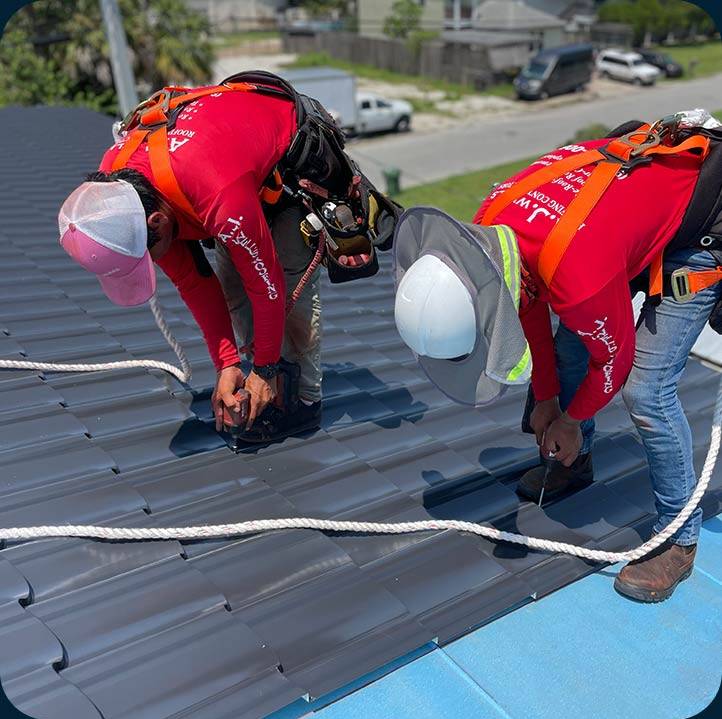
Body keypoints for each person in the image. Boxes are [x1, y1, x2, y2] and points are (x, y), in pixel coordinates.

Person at [393, 111, 722, 602]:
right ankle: (577, 461)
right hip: (611, 228)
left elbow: (613, 366)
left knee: (646, 391)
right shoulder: (486, 230)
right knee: (570, 345)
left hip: (700, 227)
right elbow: (526, 312)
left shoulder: (579, 277)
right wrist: (547, 400)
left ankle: (680, 537)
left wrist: (570, 418)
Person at [58, 73, 395, 443]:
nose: (155, 262)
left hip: (283, 162)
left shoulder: (216, 193)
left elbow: (267, 287)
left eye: (149, 255)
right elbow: (194, 283)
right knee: (233, 283)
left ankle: (303, 401)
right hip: (220, 164)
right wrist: (227, 364)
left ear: (157, 220)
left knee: (288, 296)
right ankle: (261, 374)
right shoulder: (114, 199)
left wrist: (264, 370)